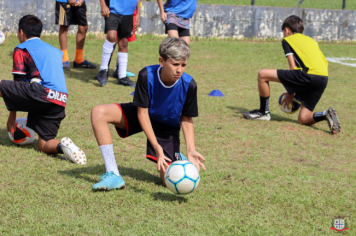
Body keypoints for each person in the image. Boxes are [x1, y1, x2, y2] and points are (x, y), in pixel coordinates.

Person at [91, 38, 205, 191]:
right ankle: (113, 174)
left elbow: (186, 118)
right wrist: (156, 146)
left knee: (168, 181)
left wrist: (191, 149)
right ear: (161, 61)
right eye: (175, 64)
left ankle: (179, 157)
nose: (180, 70)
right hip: (143, 115)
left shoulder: (189, 85)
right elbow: (142, 114)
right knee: (99, 112)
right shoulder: (146, 75)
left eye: (183, 65)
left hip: (167, 127)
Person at [0, 15, 87, 164]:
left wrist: (12, 114)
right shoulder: (55, 51)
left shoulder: (21, 49)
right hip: (60, 99)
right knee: (44, 144)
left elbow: (18, 84)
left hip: (40, 93)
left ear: (21, 32)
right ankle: (64, 147)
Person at [243, 15, 341, 134]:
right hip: (323, 78)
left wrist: (291, 93)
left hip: (308, 75)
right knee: (303, 118)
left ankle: (263, 112)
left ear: (287, 30)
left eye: (283, 32)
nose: (283, 34)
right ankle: (325, 114)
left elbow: (292, 67)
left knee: (262, 74)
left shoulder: (287, 40)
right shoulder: (312, 41)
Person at [95, 0, 141, 87]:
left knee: (124, 43)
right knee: (111, 37)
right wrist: (103, 4)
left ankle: (122, 77)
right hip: (112, 10)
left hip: (129, 12)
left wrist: (138, 13)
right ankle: (103, 70)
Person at [55, 0, 96, 70]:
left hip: (79, 2)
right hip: (64, 1)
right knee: (64, 26)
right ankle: (64, 59)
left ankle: (79, 60)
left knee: (83, 27)